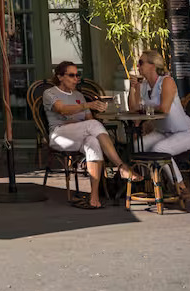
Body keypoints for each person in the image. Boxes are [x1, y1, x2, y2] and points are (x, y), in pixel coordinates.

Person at [43, 61, 137, 209]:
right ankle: (121, 166)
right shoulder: (50, 93)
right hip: (60, 135)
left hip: (79, 134)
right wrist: (87, 106)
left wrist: (98, 113)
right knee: (92, 127)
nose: (76, 79)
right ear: (60, 77)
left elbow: (89, 121)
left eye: (77, 75)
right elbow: (61, 109)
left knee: (93, 141)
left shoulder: (79, 95)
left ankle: (93, 197)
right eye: (71, 75)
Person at [128, 50, 190, 167]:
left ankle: (179, 184)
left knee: (159, 149)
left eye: (141, 62)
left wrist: (146, 112)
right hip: (163, 132)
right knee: (138, 146)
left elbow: (164, 109)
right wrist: (133, 88)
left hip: (186, 133)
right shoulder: (143, 86)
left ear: (152, 65)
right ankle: (149, 181)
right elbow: (134, 110)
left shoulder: (166, 81)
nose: (137, 66)